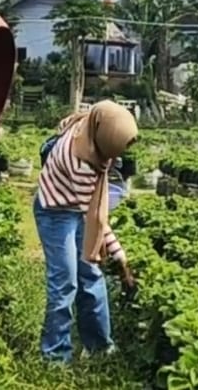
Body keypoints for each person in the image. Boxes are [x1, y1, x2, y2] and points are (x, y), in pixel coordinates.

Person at [33, 100, 138, 364]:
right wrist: (120, 257)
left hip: (78, 207)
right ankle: (55, 355)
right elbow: (96, 222)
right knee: (65, 280)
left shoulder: (89, 127)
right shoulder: (81, 164)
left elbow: (94, 217)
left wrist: (117, 256)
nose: (112, 160)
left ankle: (99, 346)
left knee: (90, 273)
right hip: (55, 211)